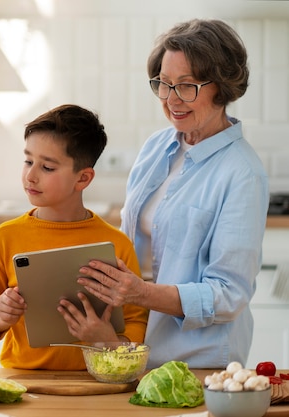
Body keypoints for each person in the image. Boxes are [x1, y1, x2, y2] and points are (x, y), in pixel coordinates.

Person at [73, 19, 269, 369]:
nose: (171, 99)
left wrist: (140, 293)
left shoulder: (242, 173)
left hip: (197, 362)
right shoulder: (156, 147)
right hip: (132, 350)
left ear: (221, 88)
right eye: (163, 84)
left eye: (186, 86)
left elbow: (229, 295)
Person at [0, 104, 148, 370]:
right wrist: (0, 318)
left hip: (94, 383)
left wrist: (108, 340)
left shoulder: (116, 245)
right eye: (28, 161)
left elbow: (137, 320)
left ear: (83, 178)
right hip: (23, 383)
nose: (30, 175)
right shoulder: (6, 237)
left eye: (47, 168)